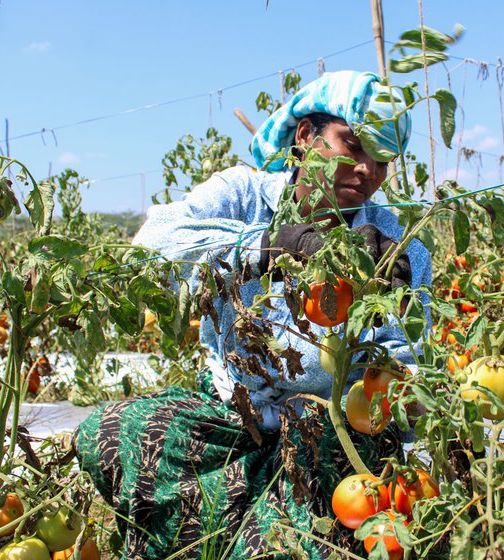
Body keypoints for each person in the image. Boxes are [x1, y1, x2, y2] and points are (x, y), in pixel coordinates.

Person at [73, 70, 432, 560]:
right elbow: (151, 251)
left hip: (331, 431)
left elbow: (406, 371)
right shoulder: (244, 195)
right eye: (353, 146)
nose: (368, 170)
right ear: (306, 136)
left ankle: (263, 527)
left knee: (287, 540)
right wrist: (269, 246)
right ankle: (238, 520)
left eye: (382, 159)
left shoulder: (396, 246)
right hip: (233, 414)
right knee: (109, 434)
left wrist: (395, 362)